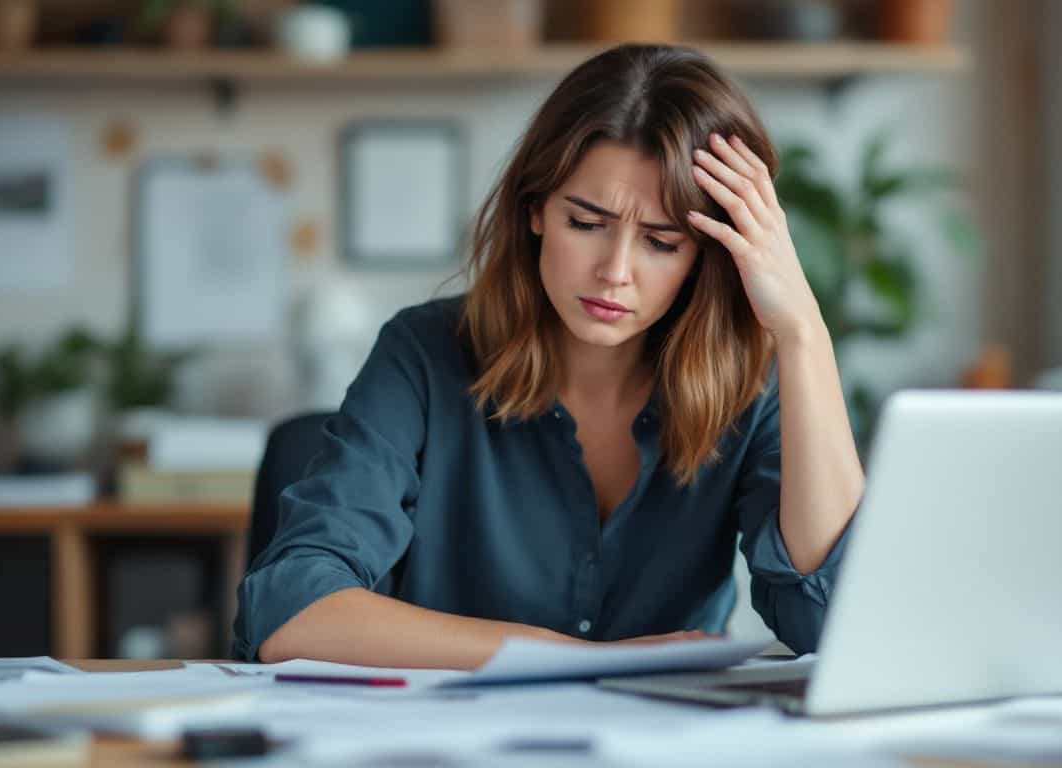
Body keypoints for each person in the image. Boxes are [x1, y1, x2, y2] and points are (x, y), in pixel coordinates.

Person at [234, 43, 863, 667]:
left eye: (662, 242)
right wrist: (565, 656)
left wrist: (803, 330)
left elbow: (833, 622)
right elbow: (291, 612)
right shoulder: (424, 354)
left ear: (709, 253)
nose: (615, 271)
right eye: (585, 224)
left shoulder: (752, 385)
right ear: (535, 208)